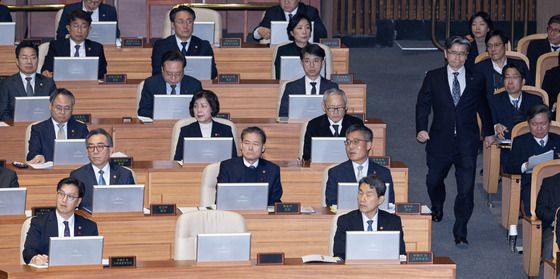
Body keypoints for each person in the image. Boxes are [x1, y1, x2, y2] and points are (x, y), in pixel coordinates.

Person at [415, 36, 495, 247]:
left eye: (462, 54)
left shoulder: (476, 78)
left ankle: (461, 230)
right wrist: (421, 128)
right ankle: (437, 205)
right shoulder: (433, 77)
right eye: (453, 53)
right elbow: (423, 104)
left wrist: (488, 132)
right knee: (433, 181)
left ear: (467, 56)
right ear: (445, 53)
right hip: (439, 141)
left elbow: (483, 106)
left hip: (467, 144)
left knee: (466, 190)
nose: (457, 58)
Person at [22, 177, 98, 265]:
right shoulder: (39, 223)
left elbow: (93, 257)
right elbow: (28, 252)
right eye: (61, 194)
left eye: (70, 196)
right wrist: (35, 259)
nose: (64, 200)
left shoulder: (89, 227)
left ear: (78, 201)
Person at [332, 175, 406, 260]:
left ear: (380, 200)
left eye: (368, 195)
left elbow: (400, 254)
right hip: (354, 270)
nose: (362, 199)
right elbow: (339, 255)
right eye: (360, 193)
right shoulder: (345, 221)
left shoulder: (393, 222)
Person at [506, 104, 560, 216]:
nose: (539, 128)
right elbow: (509, 167)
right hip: (531, 185)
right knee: (538, 207)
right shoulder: (520, 141)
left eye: (543, 124)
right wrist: (525, 166)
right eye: (534, 124)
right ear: (529, 124)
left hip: (556, 185)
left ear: (549, 123)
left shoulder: (558, 140)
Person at [325, 124, 393, 206]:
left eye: (355, 142)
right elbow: (331, 203)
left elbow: (389, 203)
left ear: (368, 145)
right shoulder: (336, 172)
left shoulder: (383, 173)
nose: (350, 146)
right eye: (348, 142)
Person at [70, 128, 135, 211]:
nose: (95, 151)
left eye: (100, 146)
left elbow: (132, 205)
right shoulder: (77, 176)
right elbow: (72, 206)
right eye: (91, 147)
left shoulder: (125, 174)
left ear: (110, 151)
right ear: (87, 152)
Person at [489, 63, 543, 164]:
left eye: (514, 77)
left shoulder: (535, 100)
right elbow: (486, 126)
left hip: (531, 142)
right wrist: (496, 127)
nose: (510, 82)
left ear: (523, 81)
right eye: (507, 77)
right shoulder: (494, 100)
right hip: (506, 144)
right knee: (509, 156)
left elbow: (544, 124)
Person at [217, 126, 283, 206]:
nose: (250, 148)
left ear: (263, 148)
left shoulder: (272, 169)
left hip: (262, 216)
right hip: (233, 214)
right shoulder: (227, 167)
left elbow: (275, 202)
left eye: (255, 144)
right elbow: (222, 199)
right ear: (241, 145)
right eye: (247, 143)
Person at [151, 5, 217, 79]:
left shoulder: (204, 46)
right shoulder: (161, 46)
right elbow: (156, 73)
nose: (185, 26)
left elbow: (213, 73)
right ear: (173, 25)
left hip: (197, 87)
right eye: (180, 22)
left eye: (189, 21)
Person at [26, 89, 89, 163]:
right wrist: (37, 157)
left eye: (67, 108)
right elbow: (32, 155)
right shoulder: (38, 129)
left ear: (72, 109)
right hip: (48, 172)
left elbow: (89, 151)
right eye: (58, 108)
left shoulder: (81, 128)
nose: (62, 112)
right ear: (50, 106)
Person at [42, 9, 108, 80]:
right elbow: (46, 69)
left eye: (84, 26)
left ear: (89, 29)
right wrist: (46, 73)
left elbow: (102, 74)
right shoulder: (56, 46)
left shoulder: (97, 48)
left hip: (88, 86)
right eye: (75, 26)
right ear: (68, 28)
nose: (79, 31)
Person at [173, 90, 238, 161]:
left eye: (203, 106)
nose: (199, 110)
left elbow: (233, 159)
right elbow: (178, 159)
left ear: (212, 108)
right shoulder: (186, 130)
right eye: (195, 106)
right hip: (193, 170)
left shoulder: (225, 130)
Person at [0, 41, 57, 121]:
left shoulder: (48, 83)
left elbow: (55, 109)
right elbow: (3, 113)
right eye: (24, 58)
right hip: (16, 129)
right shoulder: (7, 84)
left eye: (33, 57)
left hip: (42, 129)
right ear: (17, 61)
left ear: (37, 59)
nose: (29, 62)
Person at [302, 88, 363, 161]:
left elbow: (361, 152)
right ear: (323, 107)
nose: (336, 112)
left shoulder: (356, 124)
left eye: (340, 107)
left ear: (346, 106)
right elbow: (307, 155)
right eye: (331, 108)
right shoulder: (314, 125)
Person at [278, 43, 338, 117]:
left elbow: (336, 113)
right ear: (301, 62)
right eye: (307, 61)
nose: (311, 65)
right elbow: (283, 115)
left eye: (316, 61)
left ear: (323, 63)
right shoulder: (291, 87)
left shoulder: (332, 87)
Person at [138, 50, 202, 119]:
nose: (173, 78)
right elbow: (143, 111)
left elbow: (200, 109)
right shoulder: (151, 84)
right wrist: (162, 115)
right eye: (169, 73)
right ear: (162, 69)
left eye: (178, 73)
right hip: (159, 124)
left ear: (183, 70)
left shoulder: (194, 85)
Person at [475, 30, 532, 97]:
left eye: (497, 45)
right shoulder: (479, 68)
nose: (493, 49)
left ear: (506, 46)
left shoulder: (520, 65)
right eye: (489, 46)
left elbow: (530, 90)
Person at [253, 0, 327, 43]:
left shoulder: (309, 12)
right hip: (278, 51)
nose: (286, 2)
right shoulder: (272, 12)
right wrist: (259, 31)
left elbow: (322, 34)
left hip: (304, 52)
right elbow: (256, 34)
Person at [56, 0, 120, 40]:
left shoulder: (110, 11)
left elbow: (116, 34)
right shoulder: (69, 10)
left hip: (102, 49)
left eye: (97, 1)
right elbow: (61, 35)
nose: (94, 1)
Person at [273, 13, 312, 80]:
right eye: (300, 28)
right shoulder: (282, 50)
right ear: (292, 33)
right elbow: (279, 77)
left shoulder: (317, 50)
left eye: (307, 28)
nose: (304, 32)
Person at [527, 15, 560, 82]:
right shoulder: (535, 46)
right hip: (542, 85)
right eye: (550, 29)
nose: (552, 33)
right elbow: (532, 72)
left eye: (556, 30)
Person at [536, 173, 560, 260]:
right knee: (551, 244)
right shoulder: (549, 182)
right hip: (553, 227)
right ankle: (549, 272)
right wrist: (557, 216)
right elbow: (540, 209)